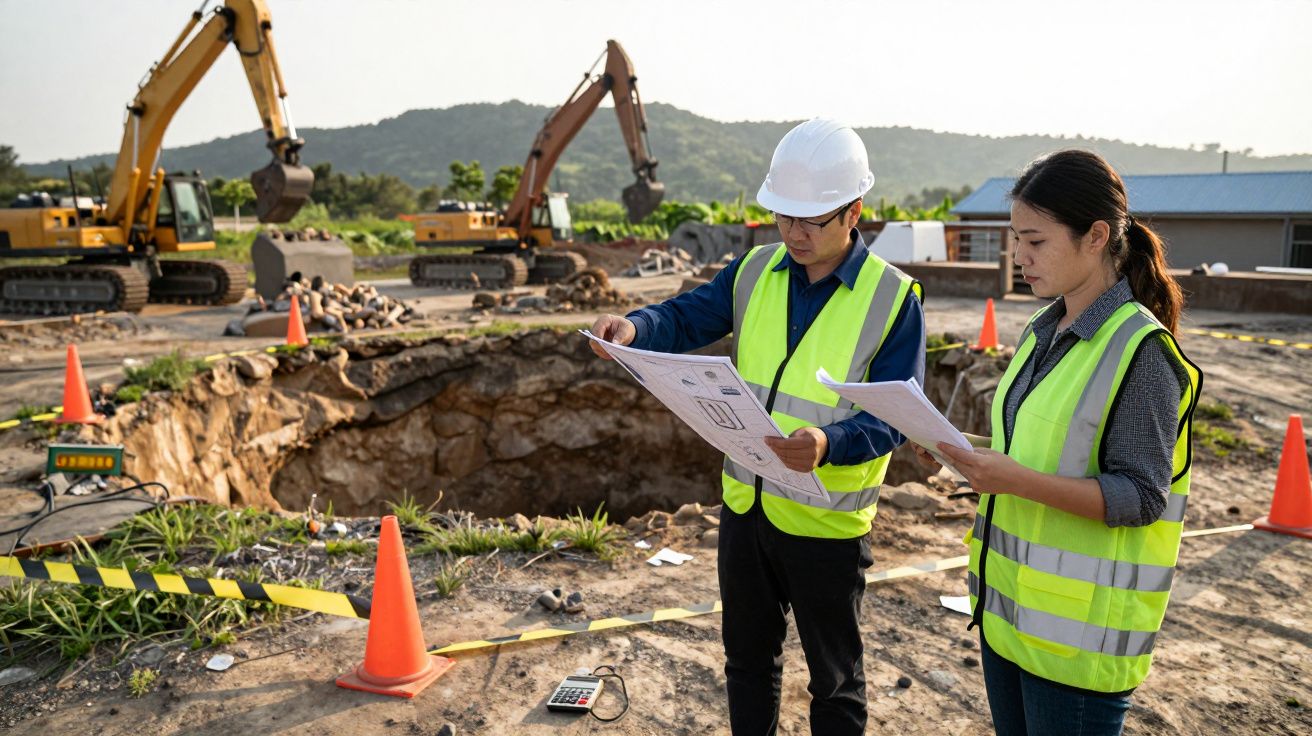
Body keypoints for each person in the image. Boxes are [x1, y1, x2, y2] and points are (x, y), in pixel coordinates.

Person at [590, 118, 926, 735]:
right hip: (746, 511)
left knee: (835, 682)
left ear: (854, 211)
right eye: (783, 216)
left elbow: (896, 416)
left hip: (826, 525)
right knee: (747, 662)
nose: (794, 233)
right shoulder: (753, 271)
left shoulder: (892, 298)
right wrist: (636, 327)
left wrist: (829, 443)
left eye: (811, 220)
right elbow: (686, 316)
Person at [918, 149, 1202, 735]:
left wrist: (1013, 481)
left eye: (1036, 241)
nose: (1019, 257)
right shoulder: (1044, 330)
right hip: (1010, 618)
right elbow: (1037, 447)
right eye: (1015, 240)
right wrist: (955, 447)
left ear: (1096, 236)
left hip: (1078, 647)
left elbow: (1140, 497)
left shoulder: (1141, 353)